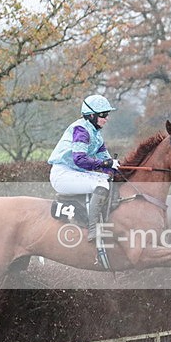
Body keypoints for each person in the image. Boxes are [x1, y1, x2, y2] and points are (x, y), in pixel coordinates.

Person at [48, 94, 119, 241]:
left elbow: (105, 160)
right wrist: (106, 164)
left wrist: (116, 168)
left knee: (106, 179)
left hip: (74, 173)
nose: (107, 118)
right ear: (91, 115)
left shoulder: (96, 135)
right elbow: (79, 159)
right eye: (103, 114)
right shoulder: (81, 130)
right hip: (63, 174)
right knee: (101, 184)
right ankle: (93, 229)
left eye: (107, 114)